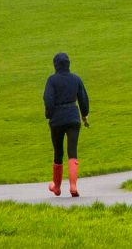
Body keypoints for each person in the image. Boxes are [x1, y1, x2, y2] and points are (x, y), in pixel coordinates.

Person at [43, 52, 90, 197]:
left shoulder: (52, 80)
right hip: (73, 118)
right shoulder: (76, 79)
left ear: (55, 65)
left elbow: (48, 98)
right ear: (68, 64)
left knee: (58, 152)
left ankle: (56, 187)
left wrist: (49, 114)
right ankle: (73, 186)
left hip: (57, 120)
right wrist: (84, 115)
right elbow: (83, 98)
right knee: (72, 150)